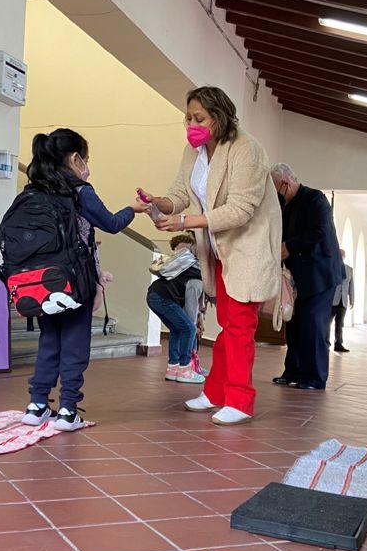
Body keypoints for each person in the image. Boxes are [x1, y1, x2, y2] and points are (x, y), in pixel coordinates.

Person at [140, 86, 281, 426]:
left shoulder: (247, 149)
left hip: (247, 249)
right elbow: (180, 193)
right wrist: (160, 204)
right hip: (219, 251)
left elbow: (241, 210)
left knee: (239, 327)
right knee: (227, 326)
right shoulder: (195, 151)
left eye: (199, 118)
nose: (192, 125)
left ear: (220, 117)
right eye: (188, 118)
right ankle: (216, 392)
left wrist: (184, 222)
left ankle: (240, 400)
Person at [21, 129, 146, 431]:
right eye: (86, 159)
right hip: (75, 280)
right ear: (75, 159)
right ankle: (67, 410)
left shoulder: (34, 189)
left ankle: (37, 406)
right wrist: (133, 209)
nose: (87, 166)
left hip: (40, 281)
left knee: (49, 340)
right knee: (75, 344)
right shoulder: (80, 190)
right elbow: (111, 223)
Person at [269, 164, 344, 390]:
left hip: (320, 275)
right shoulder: (285, 205)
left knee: (314, 325)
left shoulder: (315, 199)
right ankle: (293, 371)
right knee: (295, 325)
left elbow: (319, 232)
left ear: (287, 182)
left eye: (277, 190)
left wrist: (288, 247)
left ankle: (315, 377)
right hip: (298, 276)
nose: (277, 196)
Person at [147, 233, 205, 384]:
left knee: (177, 330)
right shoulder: (197, 274)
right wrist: (194, 323)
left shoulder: (186, 266)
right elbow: (191, 308)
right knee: (189, 329)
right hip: (163, 298)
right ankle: (185, 369)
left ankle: (173, 369)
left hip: (154, 295)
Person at [332, 250, 354, 353]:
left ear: (344, 256)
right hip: (331, 300)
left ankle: (338, 344)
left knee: (340, 323)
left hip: (343, 301)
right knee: (327, 323)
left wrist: (352, 300)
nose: (341, 257)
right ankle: (325, 342)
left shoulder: (349, 269)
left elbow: (351, 286)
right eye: (339, 255)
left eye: (342, 255)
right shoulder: (331, 266)